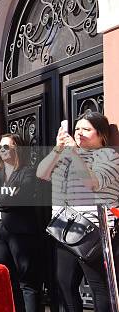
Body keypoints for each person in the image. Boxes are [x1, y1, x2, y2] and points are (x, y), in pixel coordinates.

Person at [36, 112, 119, 312]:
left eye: (86, 129)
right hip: (64, 228)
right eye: (77, 129)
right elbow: (41, 173)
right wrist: (58, 149)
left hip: (93, 230)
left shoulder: (108, 155)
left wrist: (74, 153)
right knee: (65, 284)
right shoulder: (64, 154)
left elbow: (92, 182)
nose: (79, 133)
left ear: (101, 135)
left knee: (98, 287)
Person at [0, 134, 41, 312]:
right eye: (0, 146)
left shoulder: (28, 172)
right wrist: (6, 197)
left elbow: (21, 198)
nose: (2, 149)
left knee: (27, 282)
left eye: (7, 146)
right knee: (5, 281)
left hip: (19, 232)